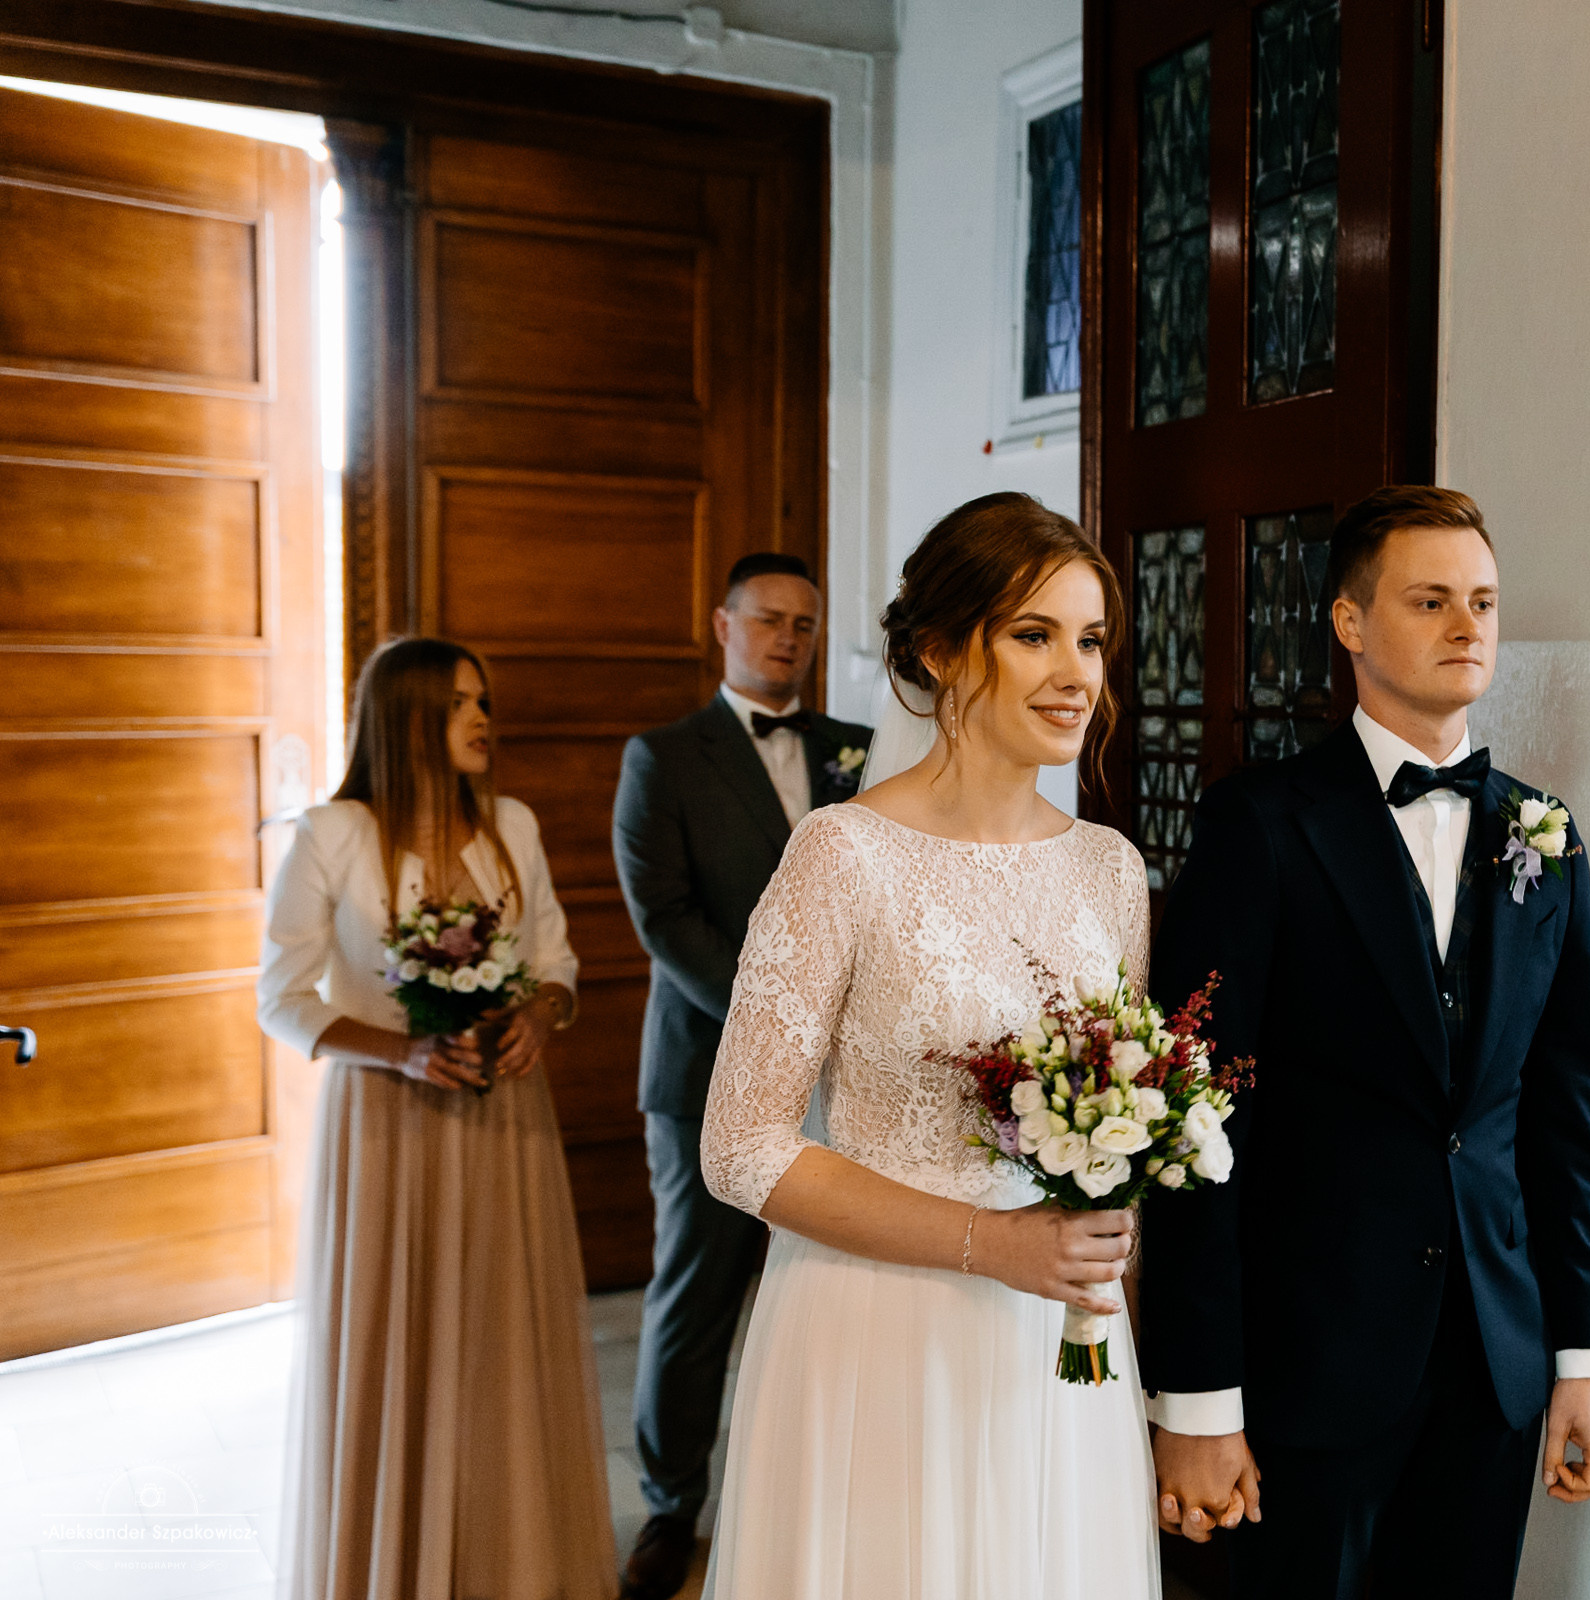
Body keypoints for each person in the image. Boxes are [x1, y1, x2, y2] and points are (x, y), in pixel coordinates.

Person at [1141, 486, 1590, 1599]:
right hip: (1301, 1372)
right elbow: (1196, 1129)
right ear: (1351, 623)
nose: (1468, 626)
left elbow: (1568, 1117)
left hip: (1494, 1364)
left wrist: (1580, 1361)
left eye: (1485, 602)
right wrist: (1200, 1399)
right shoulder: (1256, 824)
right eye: (1432, 600)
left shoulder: (1543, 836)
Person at [697, 492, 1159, 1598]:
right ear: (945, 651)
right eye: (1034, 634)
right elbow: (741, 1146)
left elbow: (1120, 1134)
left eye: (1091, 639)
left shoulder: (1109, 868)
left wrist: (1107, 1294)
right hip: (878, 1330)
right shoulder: (843, 854)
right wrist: (987, 1244)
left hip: (1057, 1348)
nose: (1076, 673)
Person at [259, 637, 613, 1600]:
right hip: (386, 1122)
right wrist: (402, 1050)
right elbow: (279, 997)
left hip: (506, 1119)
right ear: (407, 714)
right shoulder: (332, 834)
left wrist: (541, 1013)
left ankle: (513, 1562)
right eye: (461, 702)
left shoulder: (511, 824)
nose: (483, 718)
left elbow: (559, 961)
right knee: (392, 1345)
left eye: (483, 700)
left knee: (503, 1343)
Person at [611, 551, 875, 1599]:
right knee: (697, 1295)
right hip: (707, 1072)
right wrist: (786, 1023)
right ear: (721, 624)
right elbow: (664, 918)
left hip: (851, 1083)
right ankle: (670, 1508)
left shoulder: (858, 750)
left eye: (805, 624)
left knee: (837, 1291)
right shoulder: (663, 757)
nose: (787, 638)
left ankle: (822, 1490)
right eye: (767, 618)